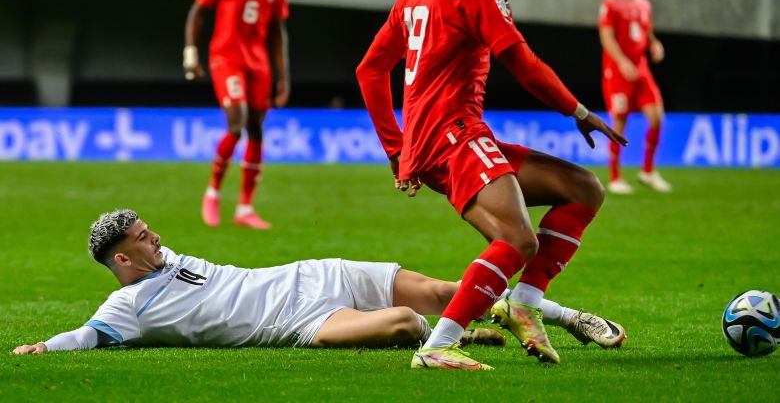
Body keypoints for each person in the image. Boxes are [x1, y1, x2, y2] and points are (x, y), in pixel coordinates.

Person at [356, 0, 627, 370]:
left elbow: (370, 70)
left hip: (445, 138)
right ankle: (439, 345)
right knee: (521, 241)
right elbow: (522, 63)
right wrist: (578, 110)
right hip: (454, 134)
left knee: (582, 188)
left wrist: (397, 149)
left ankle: (524, 302)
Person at [12, 210, 624, 356]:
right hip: (299, 323)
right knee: (408, 326)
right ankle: (461, 334)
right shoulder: (129, 305)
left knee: (443, 292)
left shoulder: (161, 256)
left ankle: (559, 316)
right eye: (140, 239)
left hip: (313, 274)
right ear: (121, 261)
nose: (153, 237)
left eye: (147, 230)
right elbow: (89, 335)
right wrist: (46, 347)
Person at [183, 0, 290, 230]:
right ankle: (213, 191)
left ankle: (245, 207)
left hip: (258, 63)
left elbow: (277, 33)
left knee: (256, 130)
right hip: (227, 58)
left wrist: (283, 77)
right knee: (237, 123)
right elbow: (198, 12)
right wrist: (191, 54)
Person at [598, 0, 670, 194]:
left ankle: (647, 171)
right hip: (618, 71)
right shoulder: (610, 4)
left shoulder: (644, 5)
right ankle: (615, 177)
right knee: (619, 122)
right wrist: (622, 62)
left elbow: (646, 32)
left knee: (657, 116)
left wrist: (654, 44)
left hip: (641, 69)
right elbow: (606, 37)